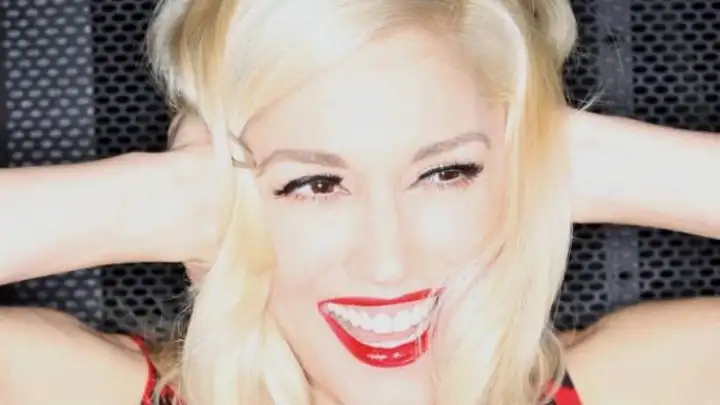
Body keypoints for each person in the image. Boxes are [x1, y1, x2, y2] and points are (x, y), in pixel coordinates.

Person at [1, 2, 719, 405]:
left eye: (446, 172)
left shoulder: (631, 383)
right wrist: (143, 200)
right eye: (314, 184)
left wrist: (596, 162)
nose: (388, 261)